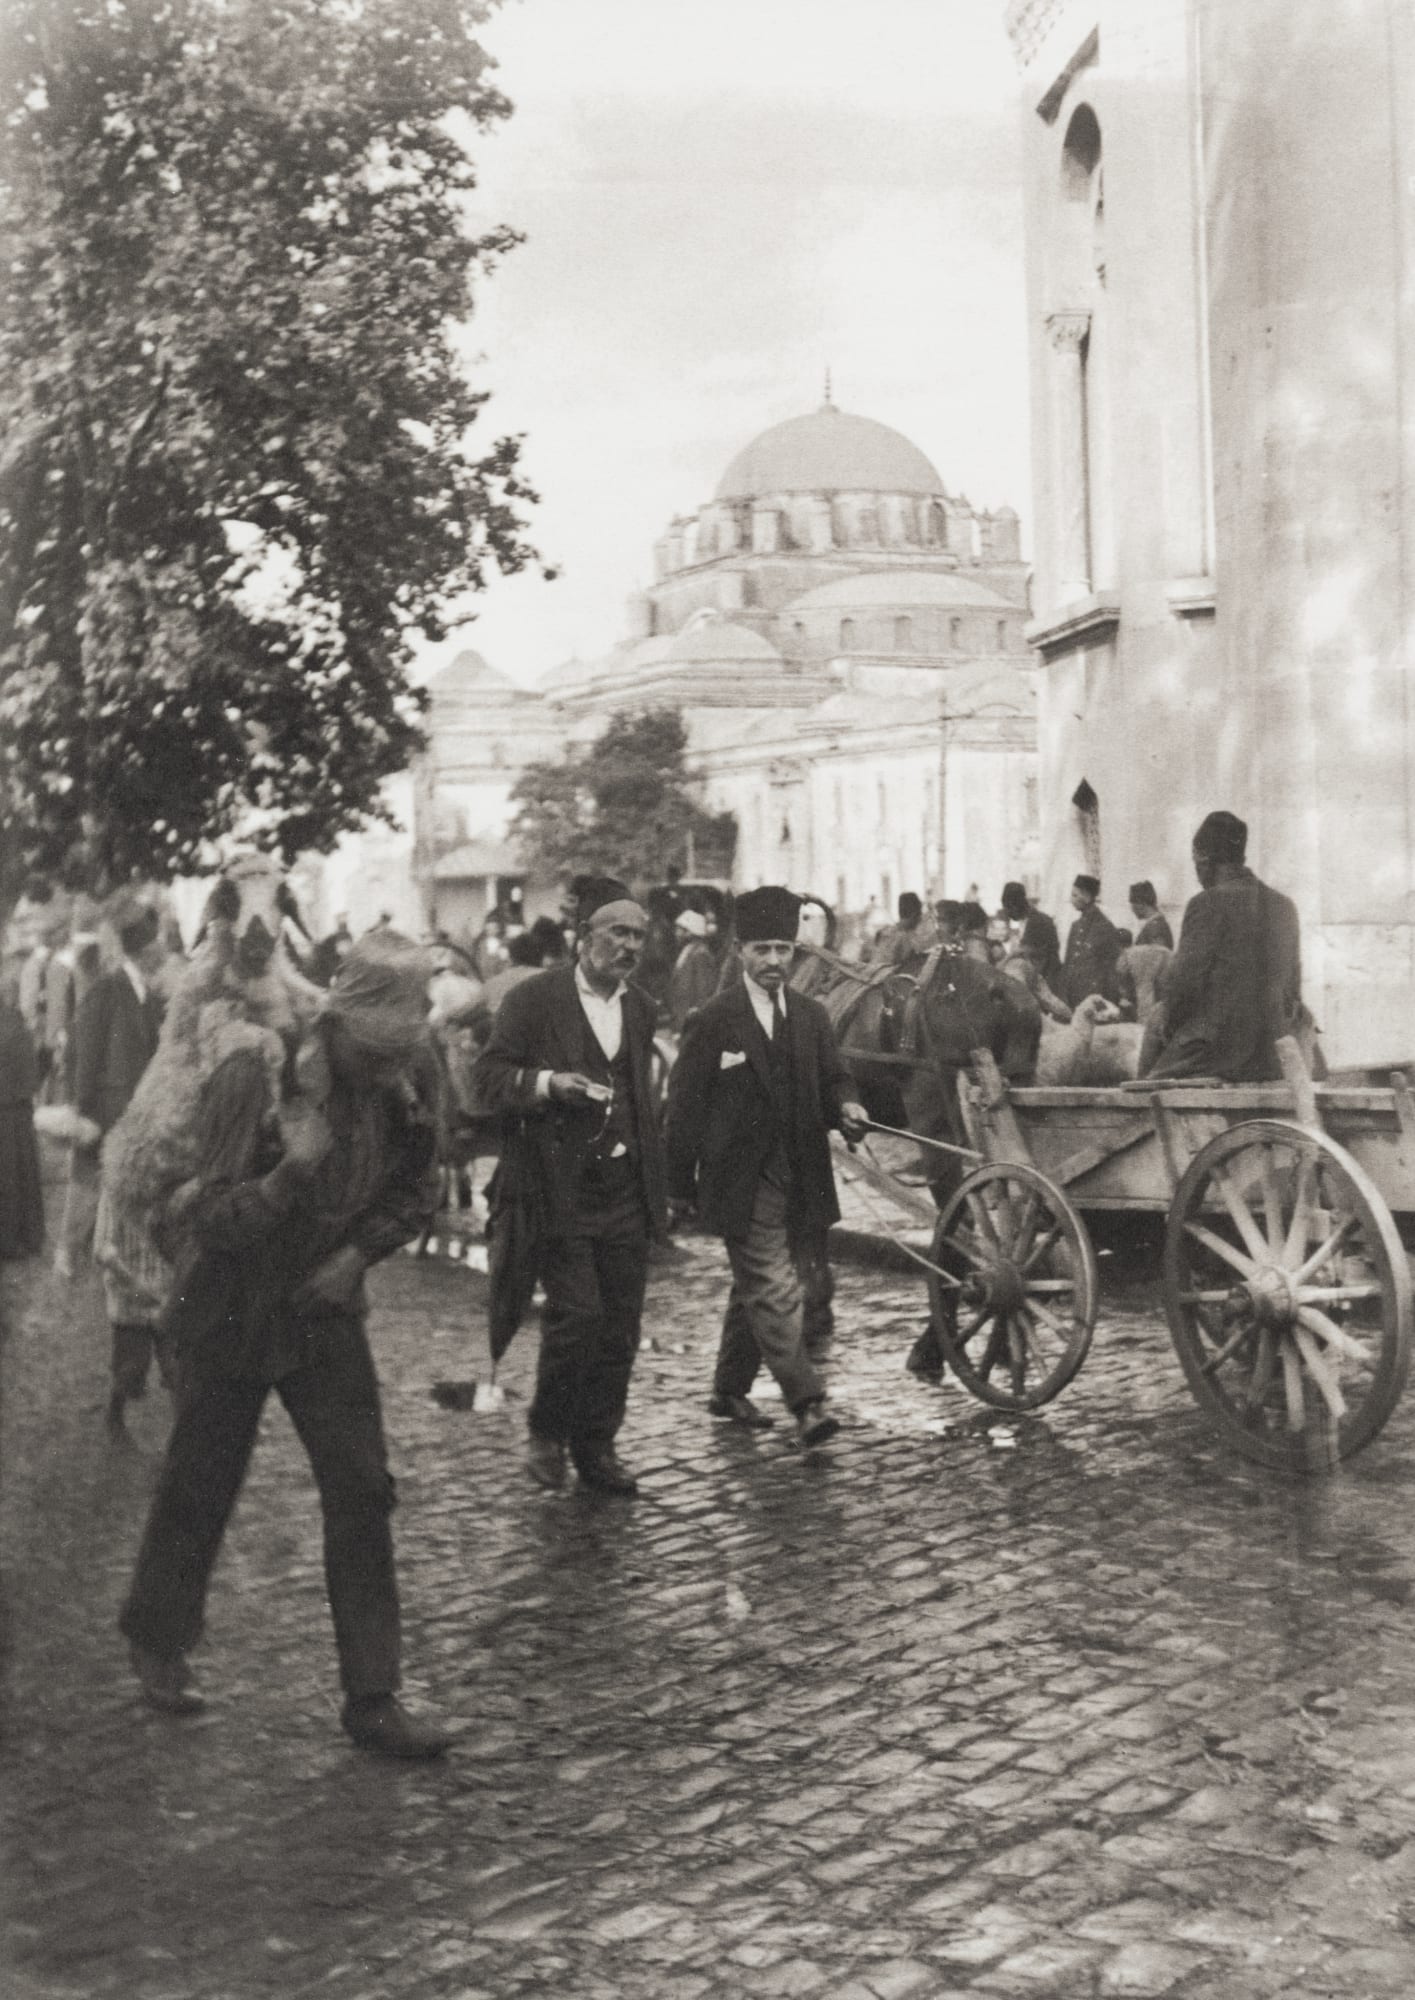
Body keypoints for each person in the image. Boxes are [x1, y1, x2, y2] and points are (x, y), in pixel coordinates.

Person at [118, 929, 449, 1758]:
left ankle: (373, 1696)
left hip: (322, 1306)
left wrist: (354, 1256)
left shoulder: (411, 1069)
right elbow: (205, 1216)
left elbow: (419, 1184)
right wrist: (290, 1175)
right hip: (230, 1302)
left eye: (397, 1057)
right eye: (373, 1055)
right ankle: (158, 1638)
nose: (386, 1075)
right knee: (202, 1476)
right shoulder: (256, 1071)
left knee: (363, 1487)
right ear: (341, 1025)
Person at [473, 877, 667, 1497]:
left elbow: (639, 1095)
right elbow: (488, 1079)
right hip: (556, 1188)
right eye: (617, 932)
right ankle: (547, 1432)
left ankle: (597, 1445)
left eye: (638, 935)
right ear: (584, 938)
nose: (629, 946)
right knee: (578, 1316)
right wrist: (547, 1084)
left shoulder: (640, 1008)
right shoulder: (535, 1000)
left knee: (621, 1328)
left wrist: (659, 1182)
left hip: (624, 1190)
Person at [665, 886, 868, 1446]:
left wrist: (848, 1104)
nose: (776, 961)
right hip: (741, 1181)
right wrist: (678, 1187)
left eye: (784, 949)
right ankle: (806, 1403)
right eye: (763, 950)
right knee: (777, 1288)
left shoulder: (811, 1016)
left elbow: (834, 1078)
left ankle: (728, 1390)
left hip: (801, 1173)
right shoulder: (713, 1019)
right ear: (740, 951)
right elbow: (682, 1108)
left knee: (756, 1285)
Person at [71, 905, 170, 1432]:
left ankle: (137, 1372)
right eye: (156, 946)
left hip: (144, 1127)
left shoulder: (149, 995)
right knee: (120, 1228)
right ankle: (124, 1381)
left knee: (146, 1235)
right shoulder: (109, 991)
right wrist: (86, 1114)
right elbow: (86, 1052)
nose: (161, 953)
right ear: (144, 948)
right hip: (113, 1121)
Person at [1143, 811, 1302, 1083]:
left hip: (1216, 1052)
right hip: (1274, 1051)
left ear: (1203, 856)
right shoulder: (1284, 906)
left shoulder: (1206, 903)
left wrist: (1167, 1022)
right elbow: (1293, 984)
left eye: (1195, 862)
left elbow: (1182, 985)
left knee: (1148, 1079)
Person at [0, 975, 44, 1263]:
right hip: (16, 1106)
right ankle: (26, 1236)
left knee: (11, 1176)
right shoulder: (15, 1021)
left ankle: (12, 1239)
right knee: (20, 1173)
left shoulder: (10, 1023)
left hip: (9, 1108)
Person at [1060, 875, 1122, 1009]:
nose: (1071, 900)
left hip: (1094, 999)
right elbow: (1068, 964)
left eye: (1075, 895)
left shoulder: (1105, 927)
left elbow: (1112, 969)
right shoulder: (1075, 926)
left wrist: (1110, 1003)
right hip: (1073, 997)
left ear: (1087, 897)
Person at [1000, 881, 1062, 990]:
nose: (1008, 914)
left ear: (1014, 906)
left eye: (1008, 909)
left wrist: (1002, 964)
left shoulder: (1038, 921)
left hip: (1047, 981)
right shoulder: (1028, 919)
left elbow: (1022, 951)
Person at [667, 908, 719, 1031]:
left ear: (689, 932)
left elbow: (704, 988)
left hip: (692, 1017)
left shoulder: (700, 954)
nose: (676, 933)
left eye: (679, 930)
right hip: (682, 1015)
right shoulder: (688, 950)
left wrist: (697, 1010)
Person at [870, 892, 934, 968]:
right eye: (920, 915)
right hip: (889, 977)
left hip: (873, 975)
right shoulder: (904, 937)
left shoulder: (886, 931)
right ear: (914, 915)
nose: (920, 920)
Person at [1128, 881, 1174, 950]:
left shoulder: (1154, 928)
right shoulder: (1158, 924)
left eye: (1133, 905)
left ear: (1141, 904)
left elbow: (1157, 957)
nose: (1132, 910)